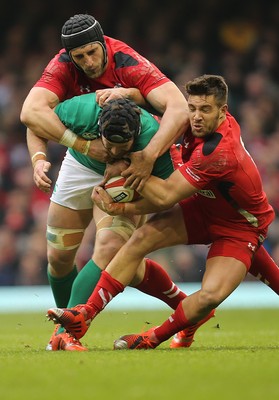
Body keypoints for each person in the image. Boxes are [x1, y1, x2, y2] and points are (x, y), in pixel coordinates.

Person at [46, 75, 279, 349]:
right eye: (192, 108)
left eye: (205, 110)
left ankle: (152, 337)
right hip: (204, 209)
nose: (196, 117)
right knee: (138, 240)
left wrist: (123, 176)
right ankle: (84, 315)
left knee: (209, 296)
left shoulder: (218, 153)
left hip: (239, 227)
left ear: (223, 112)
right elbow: (159, 101)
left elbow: (167, 196)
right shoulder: (191, 123)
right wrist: (129, 93)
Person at [20, 13, 188, 349]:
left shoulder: (127, 61)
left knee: (111, 249)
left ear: (104, 45)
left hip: (131, 158)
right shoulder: (67, 77)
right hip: (83, 159)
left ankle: (65, 333)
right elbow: (31, 115)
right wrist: (42, 159)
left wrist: (147, 157)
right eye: (79, 57)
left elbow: (179, 108)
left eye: (92, 53)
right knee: (59, 257)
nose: (87, 62)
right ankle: (185, 306)